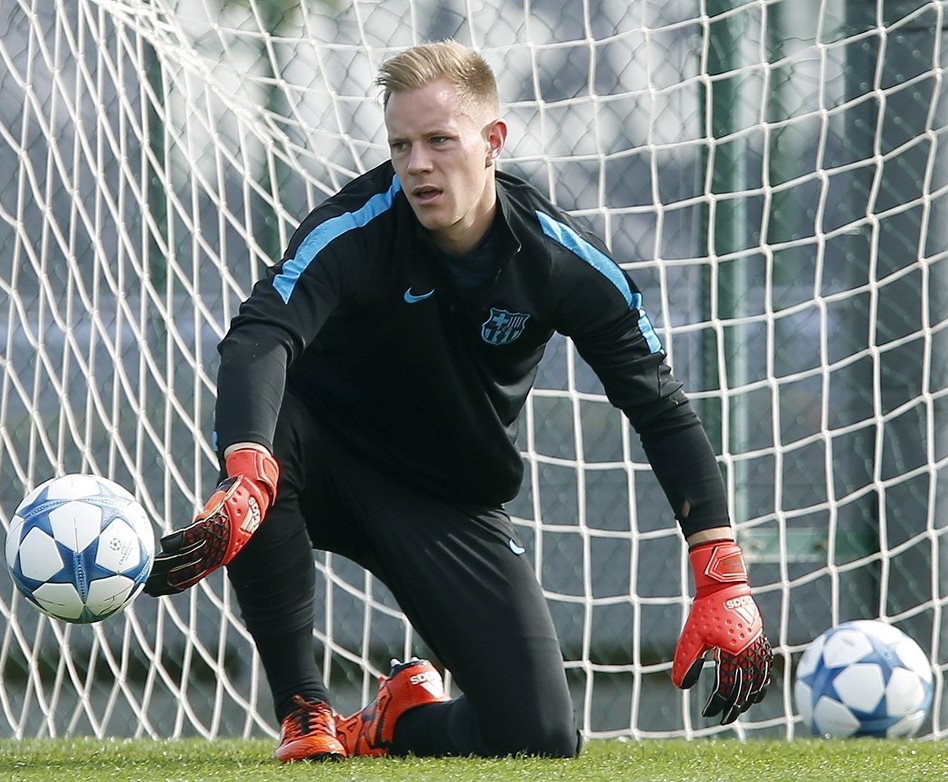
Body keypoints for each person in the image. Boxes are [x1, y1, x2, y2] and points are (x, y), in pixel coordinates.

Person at [144, 40, 773, 762]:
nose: (417, 165)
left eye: (439, 141)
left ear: (492, 142)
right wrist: (246, 472)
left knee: (539, 737)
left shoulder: (558, 259)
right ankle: (304, 711)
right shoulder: (351, 229)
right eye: (401, 144)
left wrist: (720, 572)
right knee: (262, 445)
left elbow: (660, 407)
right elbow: (257, 340)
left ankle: (397, 718)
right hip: (320, 463)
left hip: (447, 497)